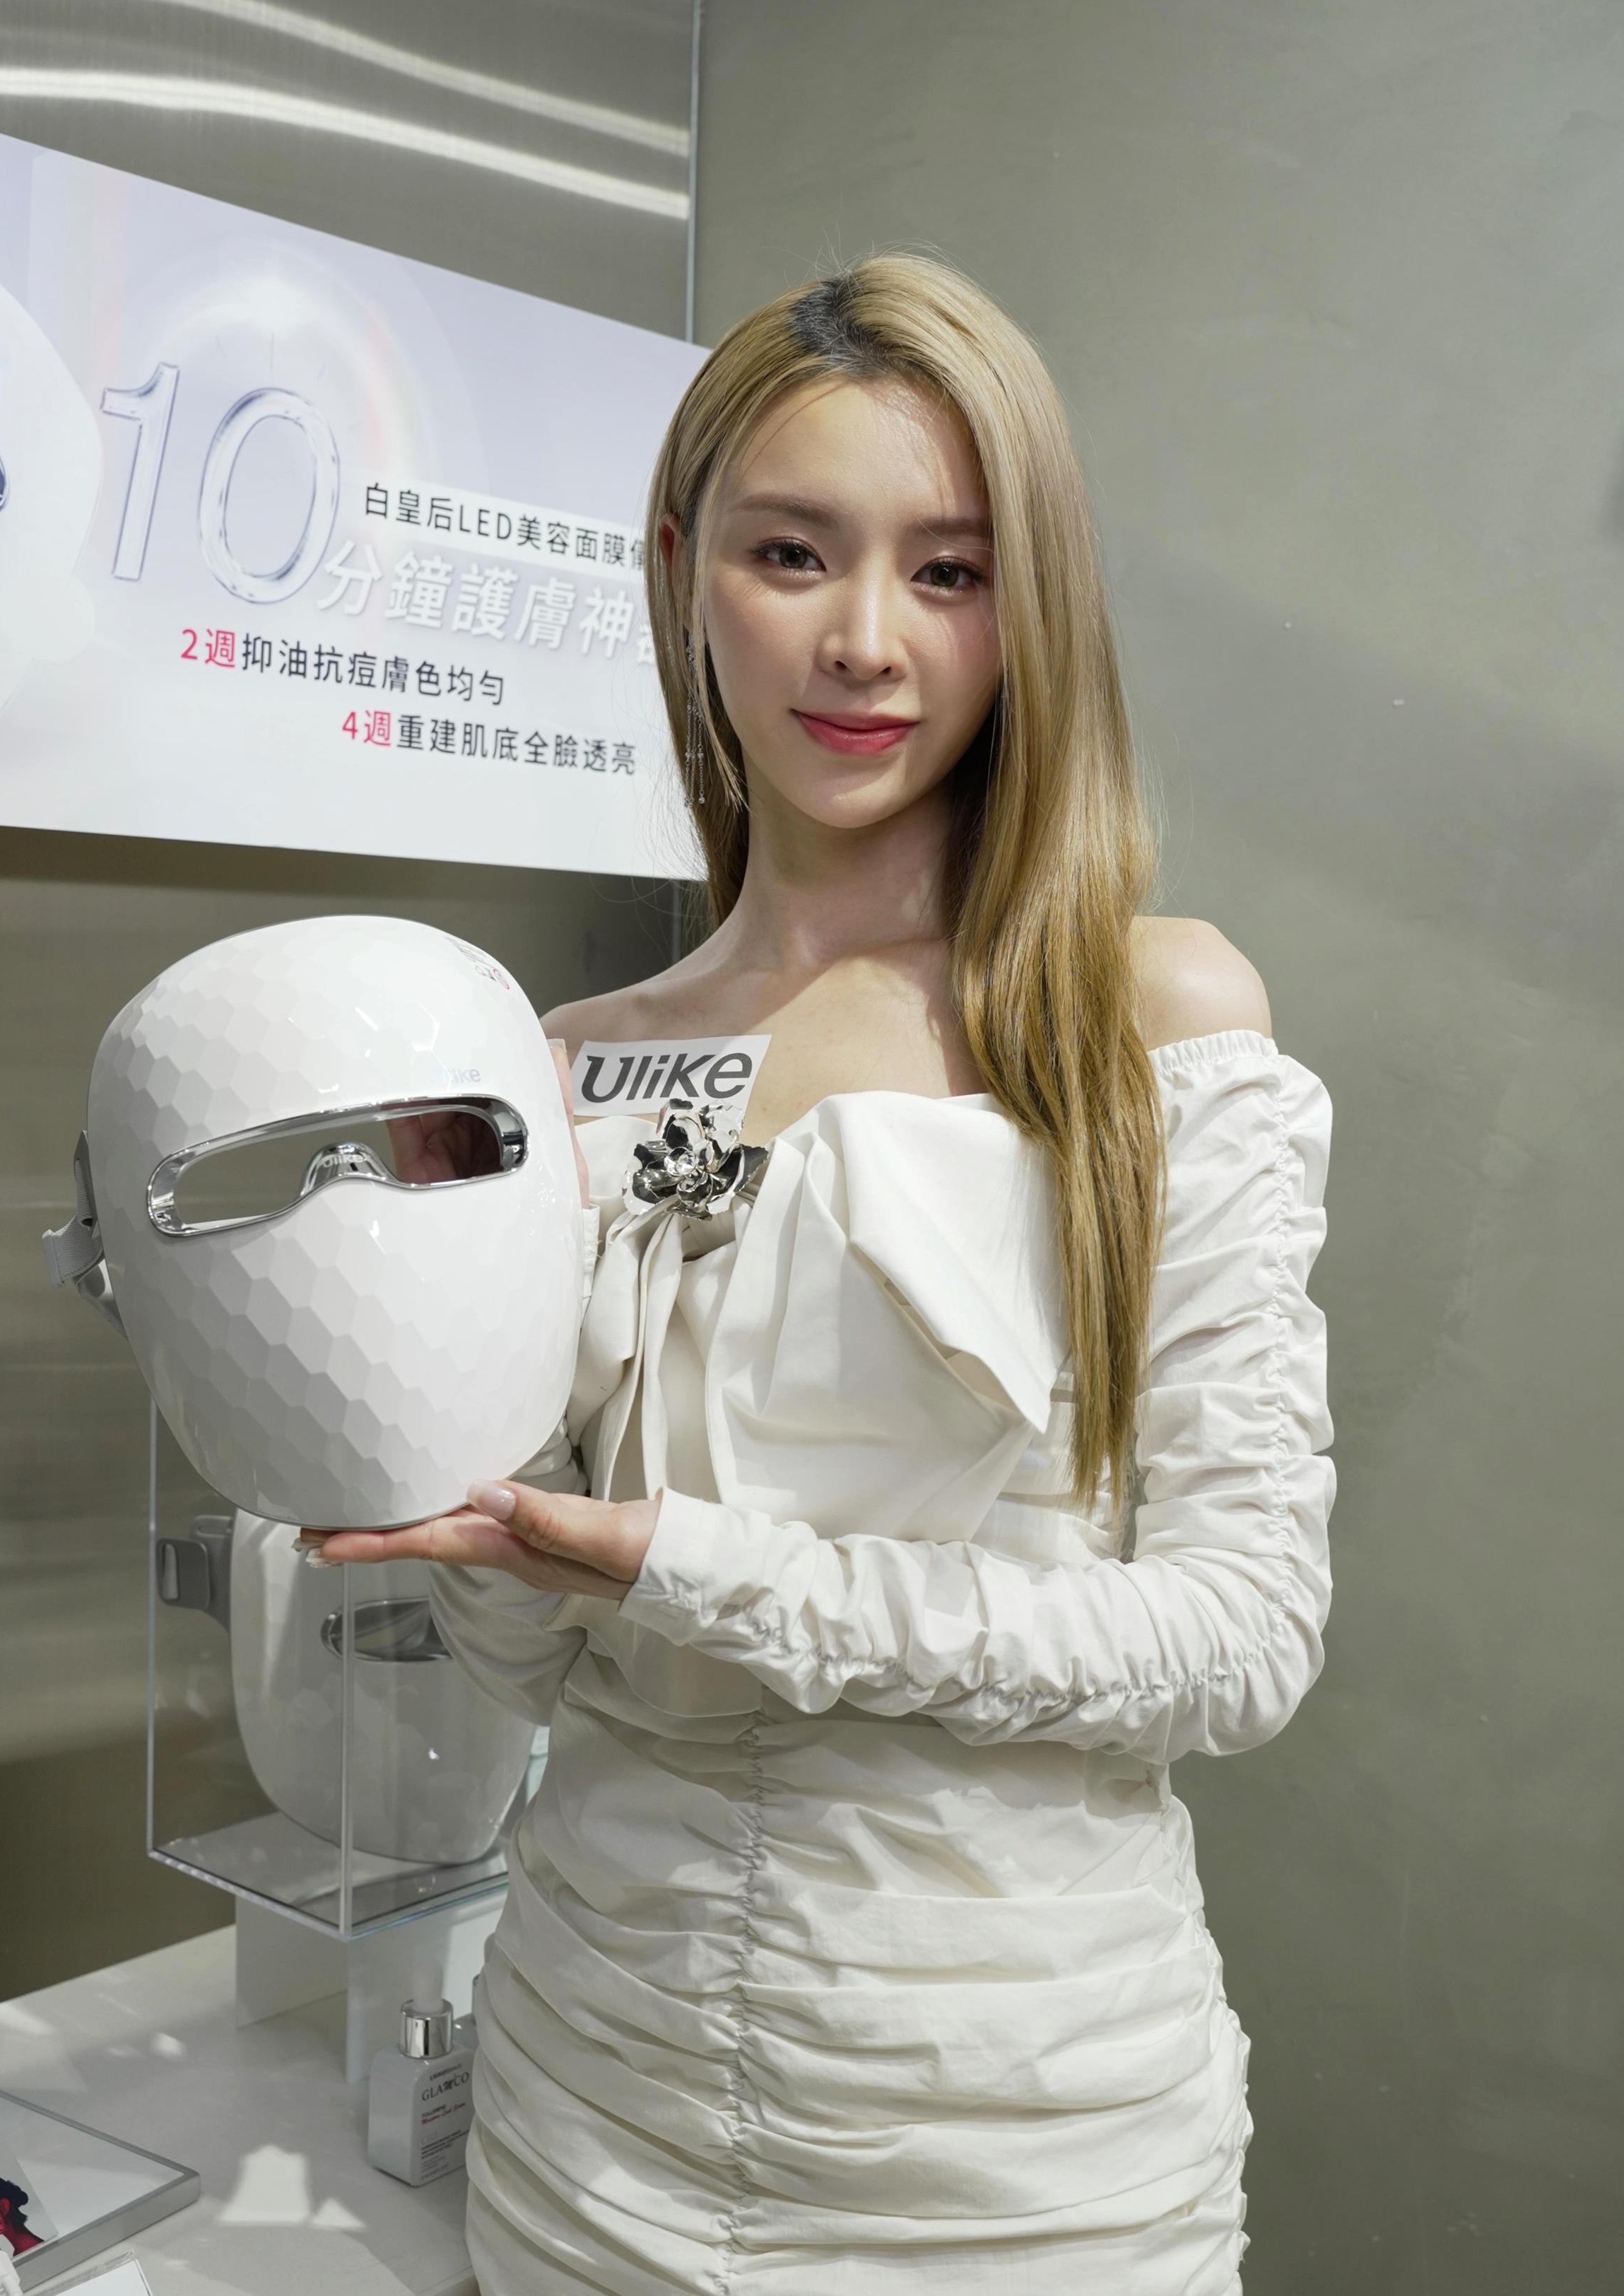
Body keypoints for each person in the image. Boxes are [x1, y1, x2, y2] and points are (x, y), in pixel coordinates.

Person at [317, 256, 1334, 2294]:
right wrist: (433, 1488)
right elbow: (530, 1656)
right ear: (680, 564)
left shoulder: (1146, 1014)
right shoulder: (560, 1066)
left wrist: (694, 1568)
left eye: (949, 572)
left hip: (1014, 2141)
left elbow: (1240, 1636)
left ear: (1031, 604)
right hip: (592, 2099)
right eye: (793, 553)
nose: (868, 640)